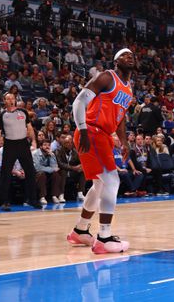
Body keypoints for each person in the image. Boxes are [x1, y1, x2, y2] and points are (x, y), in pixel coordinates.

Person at [66, 48, 134, 254]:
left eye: (132, 55)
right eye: (124, 55)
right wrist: (83, 128)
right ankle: (104, 237)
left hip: (104, 135)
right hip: (92, 131)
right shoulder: (106, 77)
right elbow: (79, 101)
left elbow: (120, 118)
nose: (129, 57)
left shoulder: (129, 89)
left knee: (99, 186)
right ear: (116, 61)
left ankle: (80, 230)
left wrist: (124, 142)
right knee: (112, 181)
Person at [0, 93, 40, 211]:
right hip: (10, 145)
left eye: (12, 98)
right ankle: (5, 201)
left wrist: (34, 141)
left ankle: (33, 200)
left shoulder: (23, 112)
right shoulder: (2, 115)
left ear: (15, 100)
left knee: (30, 172)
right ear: (4, 101)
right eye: (8, 98)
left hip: (23, 144)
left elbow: (29, 128)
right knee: (5, 174)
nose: (10, 100)